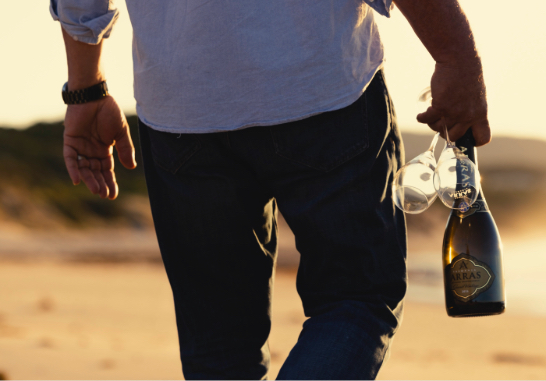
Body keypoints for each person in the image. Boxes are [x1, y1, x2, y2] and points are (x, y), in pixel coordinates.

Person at [52, 0, 490, 379]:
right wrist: (453, 54)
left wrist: (86, 87)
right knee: (355, 300)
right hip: (319, 86)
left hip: (182, 108)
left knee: (219, 349)